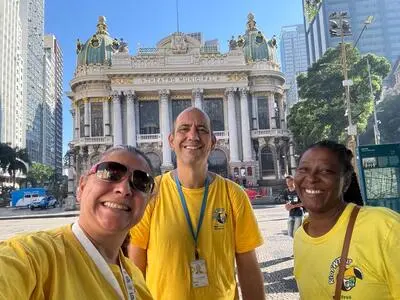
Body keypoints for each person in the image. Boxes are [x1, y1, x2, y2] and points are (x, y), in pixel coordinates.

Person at [129, 107, 265, 300]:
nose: (193, 135)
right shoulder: (151, 193)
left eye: (202, 129)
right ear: (171, 141)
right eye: (184, 129)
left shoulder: (233, 195)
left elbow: (248, 268)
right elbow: (135, 269)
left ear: (213, 141)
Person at [0, 145, 155, 299]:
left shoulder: (136, 278)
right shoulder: (32, 256)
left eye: (142, 182)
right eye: (110, 173)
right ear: (81, 187)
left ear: (148, 202)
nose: (124, 189)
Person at [293, 140, 400, 299]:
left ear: (346, 181)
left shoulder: (384, 227)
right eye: (303, 170)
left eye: (325, 171)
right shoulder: (300, 237)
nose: (311, 178)